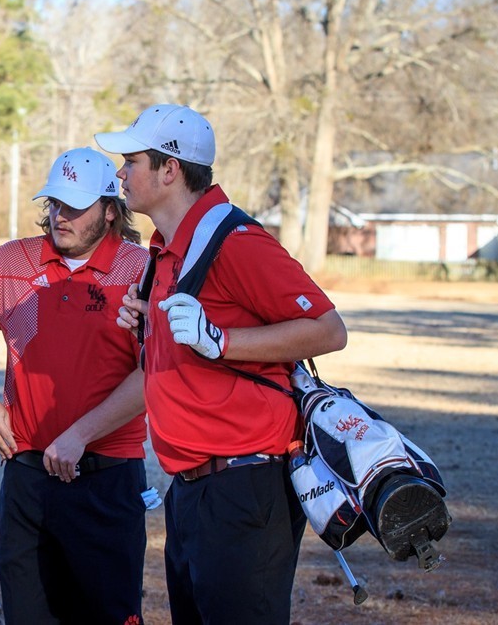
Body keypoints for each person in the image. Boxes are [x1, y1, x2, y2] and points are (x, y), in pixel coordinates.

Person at [96, 105, 348, 625]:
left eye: (132, 160)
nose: (121, 173)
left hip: (243, 490)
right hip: (191, 490)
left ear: (170, 170)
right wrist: (151, 328)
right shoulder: (168, 251)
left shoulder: (235, 242)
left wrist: (220, 338)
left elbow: (328, 330)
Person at [0, 147, 152, 625]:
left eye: (75, 207)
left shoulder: (143, 271)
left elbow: (154, 372)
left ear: (110, 210)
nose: (59, 216)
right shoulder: (9, 262)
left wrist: (80, 433)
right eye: (54, 204)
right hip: (26, 474)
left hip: (108, 478)